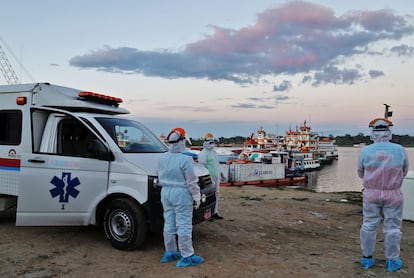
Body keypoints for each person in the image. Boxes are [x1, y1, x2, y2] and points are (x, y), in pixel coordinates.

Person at [357, 118, 409, 272]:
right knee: (393, 226)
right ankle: (392, 261)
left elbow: (360, 172)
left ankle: (367, 258)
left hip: (371, 193)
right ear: (389, 132)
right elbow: (404, 171)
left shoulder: (365, 151)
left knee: (369, 224)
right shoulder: (400, 150)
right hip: (393, 193)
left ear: (373, 133)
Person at [157, 127, 204, 267]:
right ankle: (187, 255)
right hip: (181, 193)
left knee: (169, 222)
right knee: (184, 224)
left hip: (165, 192)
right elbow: (191, 181)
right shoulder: (185, 160)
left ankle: (170, 251)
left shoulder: (161, 158)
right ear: (181, 141)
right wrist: (196, 197)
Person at [198, 132, 223, 220]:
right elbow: (202, 167)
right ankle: (207, 215)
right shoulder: (203, 153)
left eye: (213, 142)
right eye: (210, 142)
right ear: (205, 142)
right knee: (208, 197)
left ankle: (215, 212)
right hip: (209, 179)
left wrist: (221, 174)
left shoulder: (214, 153)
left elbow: (217, 164)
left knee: (216, 195)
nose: (211, 144)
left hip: (216, 178)